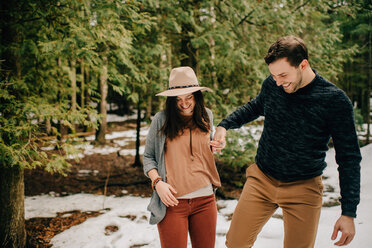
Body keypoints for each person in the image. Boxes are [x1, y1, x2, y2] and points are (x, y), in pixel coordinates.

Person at [211, 36, 362, 248]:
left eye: (283, 75)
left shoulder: (334, 101)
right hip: (262, 179)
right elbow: (254, 107)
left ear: (303, 64)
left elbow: (349, 158)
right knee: (235, 243)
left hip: (304, 187)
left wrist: (348, 213)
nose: (278, 82)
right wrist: (224, 125)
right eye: (273, 76)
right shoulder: (273, 85)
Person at [143, 66, 221, 248]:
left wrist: (217, 144)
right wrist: (157, 183)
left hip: (205, 199)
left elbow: (206, 149)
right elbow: (148, 157)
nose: (184, 103)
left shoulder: (206, 116)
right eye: (178, 99)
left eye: (189, 97)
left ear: (196, 96)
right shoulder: (161, 120)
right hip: (172, 202)